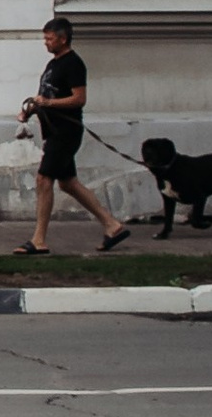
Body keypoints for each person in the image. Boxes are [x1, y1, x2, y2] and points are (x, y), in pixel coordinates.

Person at [18, 17, 129, 257]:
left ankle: (38, 240)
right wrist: (32, 109)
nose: (45, 43)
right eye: (45, 38)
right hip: (54, 130)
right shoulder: (53, 64)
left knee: (43, 179)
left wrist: (48, 103)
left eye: (49, 38)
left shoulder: (73, 64)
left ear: (63, 38)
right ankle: (113, 226)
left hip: (66, 132)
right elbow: (47, 95)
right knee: (68, 183)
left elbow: (79, 99)